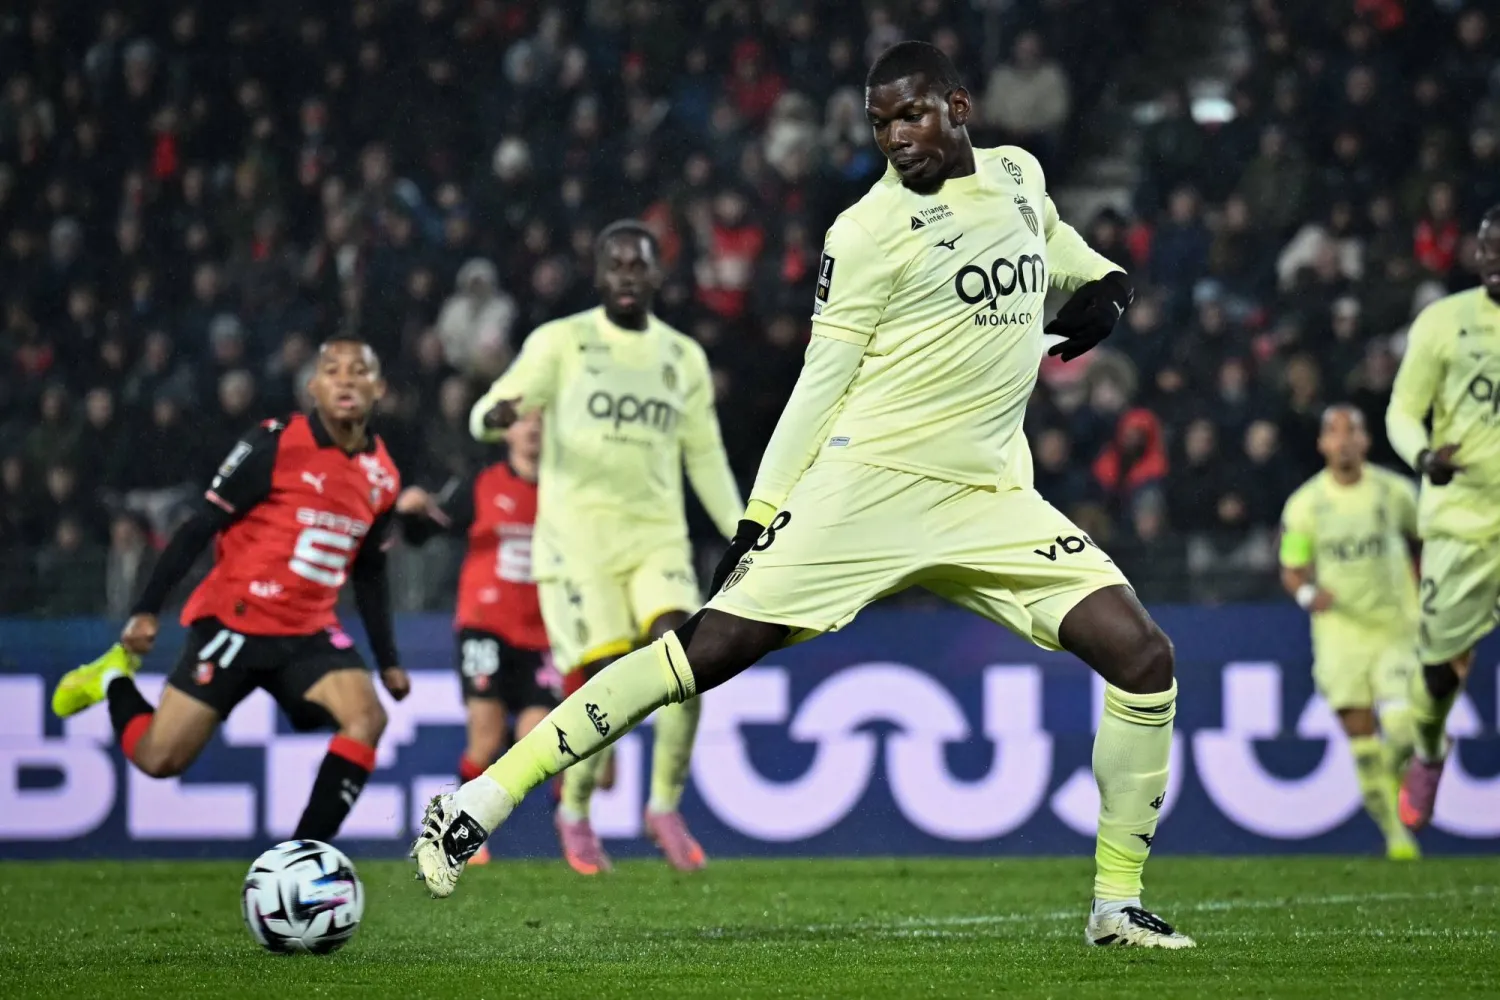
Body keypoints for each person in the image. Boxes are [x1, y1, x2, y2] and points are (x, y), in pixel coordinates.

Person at [414, 42, 1192, 949]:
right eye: (879, 124)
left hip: (990, 492)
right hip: (866, 490)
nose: (896, 137)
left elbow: (1051, 239)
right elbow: (818, 386)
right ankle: (477, 802)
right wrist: (759, 513)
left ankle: (1115, 904)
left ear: (959, 105)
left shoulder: (1019, 173)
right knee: (700, 654)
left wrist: (1107, 281)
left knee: (1143, 657)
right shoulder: (863, 234)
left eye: (911, 116)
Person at [461, 219, 745, 875]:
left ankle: (664, 806)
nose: (626, 275)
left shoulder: (683, 358)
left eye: (637, 264)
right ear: (599, 275)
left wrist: (743, 530)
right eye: (614, 264)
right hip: (578, 543)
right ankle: (576, 810)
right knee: (604, 683)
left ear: (656, 275)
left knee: (685, 658)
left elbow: (704, 456)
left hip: (655, 537)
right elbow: (496, 405)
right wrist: (491, 417)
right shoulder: (561, 342)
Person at [52, 337, 408, 843]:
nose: (346, 380)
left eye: (358, 371)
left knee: (366, 718)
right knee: (159, 758)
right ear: (313, 387)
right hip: (236, 620)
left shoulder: (383, 475)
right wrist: (146, 610)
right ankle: (113, 680)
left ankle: (301, 859)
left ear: (379, 389)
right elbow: (199, 526)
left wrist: (388, 658)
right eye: (332, 371)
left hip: (308, 631)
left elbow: (369, 570)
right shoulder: (275, 443)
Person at [395, 410, 557, 865]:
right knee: (485, 741)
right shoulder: (481, 485)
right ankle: (455, 830)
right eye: (524, 420)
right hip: (486, 627)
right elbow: (426, 530)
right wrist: (410, 514)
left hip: (546, 635)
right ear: (507, 432)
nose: (533, 429)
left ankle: (564, 820)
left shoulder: (569, 491)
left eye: (541, 420)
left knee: (537, 743)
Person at [1384, 204, 1500, 831]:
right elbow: (1402, 411)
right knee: (1439, 671)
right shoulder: (1445, 322)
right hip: (1461, 521)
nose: (1494, 262)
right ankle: (1429, 751)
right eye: (1487, 250)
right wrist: (1424, 456)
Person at [1278, 405, 1421, 859]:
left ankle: (1400, 770)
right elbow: (1293, 568)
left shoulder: (1395, 492)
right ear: (1322, 444)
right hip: (1340, 633)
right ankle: (1396, 834)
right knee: (1362, 746)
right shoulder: (1305, 504)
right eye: (1333, 433)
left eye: (1352, 432)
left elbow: (1430, 539)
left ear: (1366, 441)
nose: (1343, 441)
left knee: (1399, 728)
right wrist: (1306, 597)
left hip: (1395, 627)